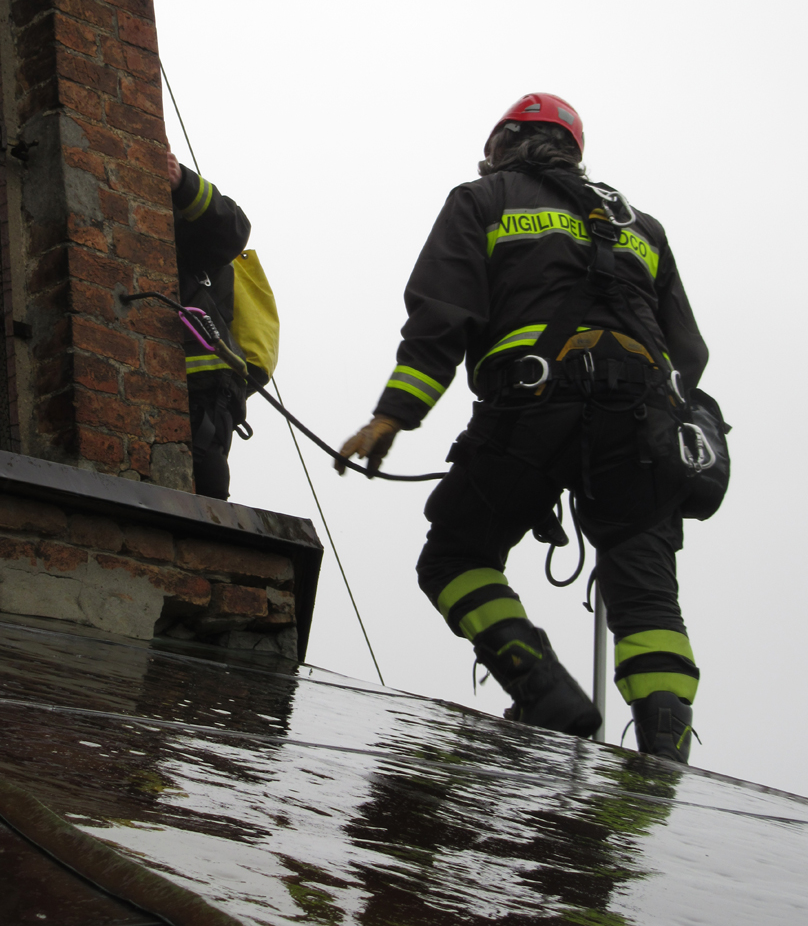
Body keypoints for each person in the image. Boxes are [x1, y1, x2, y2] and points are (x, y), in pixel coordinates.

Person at [336, 93, 709, 763]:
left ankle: (547, 694)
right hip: (647, 424)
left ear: (505, 141)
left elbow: (442, 314)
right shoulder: (640, 226)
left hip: (534, 404)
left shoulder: (484, 199)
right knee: (646, 588)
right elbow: (691, 355)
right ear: (574, 149)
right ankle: (666, 742)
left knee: (453, 557)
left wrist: (394, 414)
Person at [168, 149, 276, 500]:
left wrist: (182, 183)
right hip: (189, 378)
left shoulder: (192, 234)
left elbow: (234, 227)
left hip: (207, 381)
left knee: (206, 487)